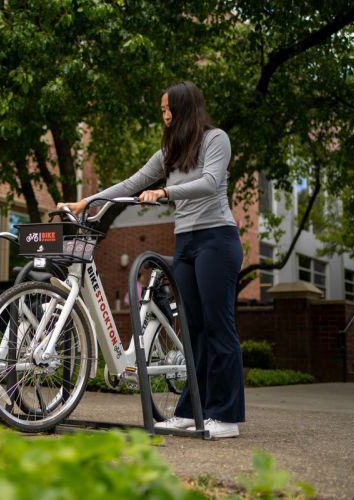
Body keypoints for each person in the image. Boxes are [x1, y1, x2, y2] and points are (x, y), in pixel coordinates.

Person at [59, 81, 244, 439]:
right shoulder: (169, 152)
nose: (165, 115)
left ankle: (227, 415)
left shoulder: (215, 139)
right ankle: (192, 411)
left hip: (217, 239)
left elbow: (209, 182)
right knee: (193, 331)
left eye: (168, 109)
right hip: (186, 241)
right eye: (162, 110)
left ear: (185, 107)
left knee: (219, 328)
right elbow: (132, 182)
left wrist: (164, 192)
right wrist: (90, 200)